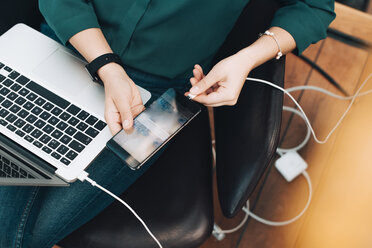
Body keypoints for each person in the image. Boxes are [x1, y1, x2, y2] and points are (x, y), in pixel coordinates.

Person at [0, 0, 335, 247]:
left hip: (165, 96)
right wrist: (106, 65)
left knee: (30, 232)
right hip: (68, 45)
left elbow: (314, 7)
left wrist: (246, 58)